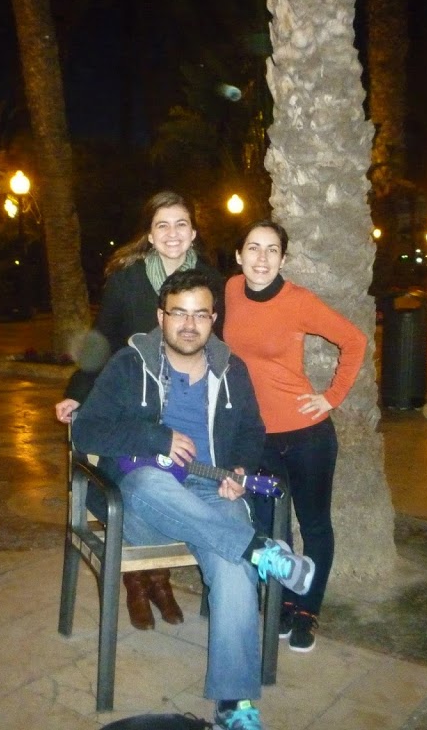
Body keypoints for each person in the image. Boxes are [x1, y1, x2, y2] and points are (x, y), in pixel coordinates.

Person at [72, 269, 315, 730]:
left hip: (210, 490)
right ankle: (259, 549)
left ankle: (234, 706)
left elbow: (252, 431)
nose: (189, 324)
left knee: (233, 566)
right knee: (149, 484)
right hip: (142, 503)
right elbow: (86, 430)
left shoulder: (231, 369)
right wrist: (156, 436)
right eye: (179, 313)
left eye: (200, 314)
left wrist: (239, 469)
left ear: (213, 319)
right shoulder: (130, 365)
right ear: (161, 316)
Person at [56, 190, 224, 630]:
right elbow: (103, 339)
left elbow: (220, 345)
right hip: (134, 403)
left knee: (176, 480)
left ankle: (159, 579)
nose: (172, 233)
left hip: (186, 402)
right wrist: (79, 392)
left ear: (194, 233)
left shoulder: (210, 280)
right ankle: (138, 580)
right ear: (149, 234)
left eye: (181, 224)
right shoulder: (127, 280)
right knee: (135, 478)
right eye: (162, 225)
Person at [223, 219, 367, 654]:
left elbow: (355, 341)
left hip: (307, 436)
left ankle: (308, 611)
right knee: (271, 526)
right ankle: (283, 601)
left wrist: (331, 397)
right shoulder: (231, 290)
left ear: (283, 259)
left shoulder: (298, 300)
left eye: (272, 250)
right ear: (239, 255)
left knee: (314, 524)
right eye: (253, 248)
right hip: (258, 439)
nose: (262, 258)